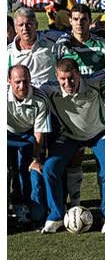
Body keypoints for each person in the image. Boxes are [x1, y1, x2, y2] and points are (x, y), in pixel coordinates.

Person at [37, 59, 105, 234]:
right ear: (56, 77)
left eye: (71, 78)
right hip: (69, 137)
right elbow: (25, 88)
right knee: (50, 168)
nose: (68, 84)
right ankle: (55, 216)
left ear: (79, 74)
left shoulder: (94, 82)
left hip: (99, 133)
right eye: (63, 79)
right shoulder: (48, 90)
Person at [7, 65, 49, 227]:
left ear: (31, 81)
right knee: (7, 170)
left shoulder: (40, 99)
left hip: (29, 135)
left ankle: (31, 207)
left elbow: (39, 134)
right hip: (7, 134)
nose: (22, 86)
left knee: (31, 170)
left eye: (25, 82)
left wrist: (36, 158)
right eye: (17, 82)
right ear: (9, 81)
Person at [8, 7, 56, 86]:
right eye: (21, 25)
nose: (25, 28)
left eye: (28, 24)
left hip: (50, 96)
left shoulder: (52, 45)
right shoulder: (8, 53)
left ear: (36, 25)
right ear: (16, 28)